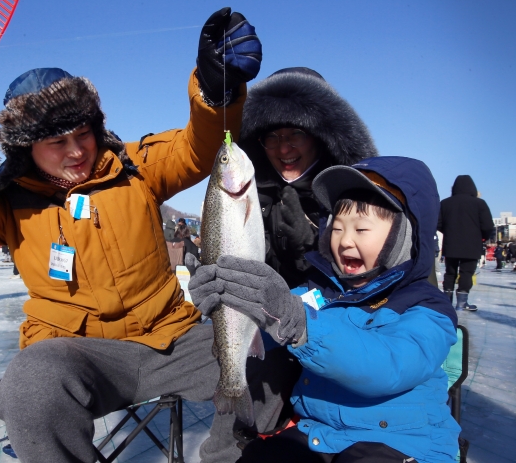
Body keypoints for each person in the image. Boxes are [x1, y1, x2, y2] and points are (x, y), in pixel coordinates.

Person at [0, 8, 295, 463]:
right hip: (75, 351)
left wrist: (218, 92)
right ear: (25, 149)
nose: (76, 151)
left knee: (266, 361)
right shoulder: (1, 201)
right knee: (30, 386)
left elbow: (199, 148)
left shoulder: (135, 169)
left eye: (83, 134)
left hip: (171, 337)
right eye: (57, 142)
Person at [190, 156, 461, 463]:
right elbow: (263, 328)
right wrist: (230, 302)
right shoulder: (318, 293)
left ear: (404, 236)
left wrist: (301, 325)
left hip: (402, 443)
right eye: (338, 227)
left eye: (361, 230)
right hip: (320, 435)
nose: (344, 241)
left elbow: (387, 367)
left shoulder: (427, 307)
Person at [238, 67, 378, 289]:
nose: (284, 148)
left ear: (320, 137)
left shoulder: (362, 197)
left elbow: (376, 284)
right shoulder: (247, 196)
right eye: (272, 137)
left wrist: (310, 250)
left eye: (296, 134)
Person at [438, 175, 493, 311]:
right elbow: (487, 226)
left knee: (450, 273)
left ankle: (446, 301)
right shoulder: (480, 204)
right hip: (472, 245)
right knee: (467, 273)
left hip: (451, 244)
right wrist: (482, 237)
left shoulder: (445, 203)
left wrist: (450, 231)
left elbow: (438, 224)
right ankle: (462, 303)